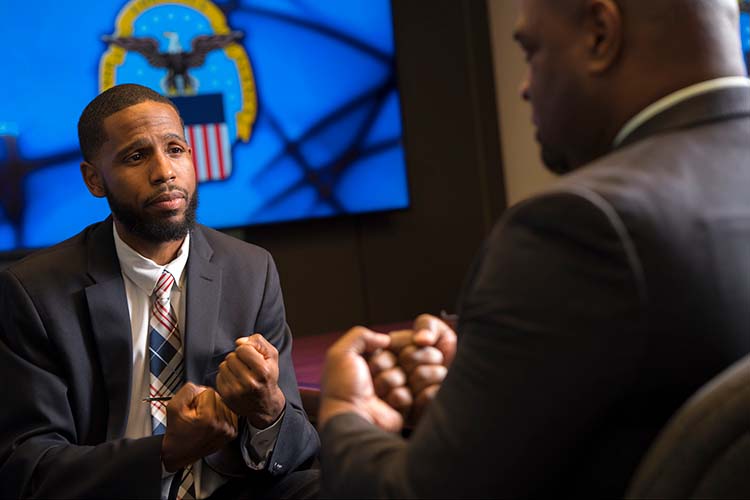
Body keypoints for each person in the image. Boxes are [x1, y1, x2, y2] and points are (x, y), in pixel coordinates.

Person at [317, 0, 750, 496]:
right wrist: (497, 380)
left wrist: (345, 416)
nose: (524, 86)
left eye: (531, 50)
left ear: (600, 34)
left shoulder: (577, 226)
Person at [0, 84, 319, 499]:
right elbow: (25, 467)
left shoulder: (250, 269)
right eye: (136, 156)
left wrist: (269, 409)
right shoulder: (34, 292)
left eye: (175, 149)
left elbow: (297, 451)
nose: (164, 172)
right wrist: (165, 452)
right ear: (94, 179)